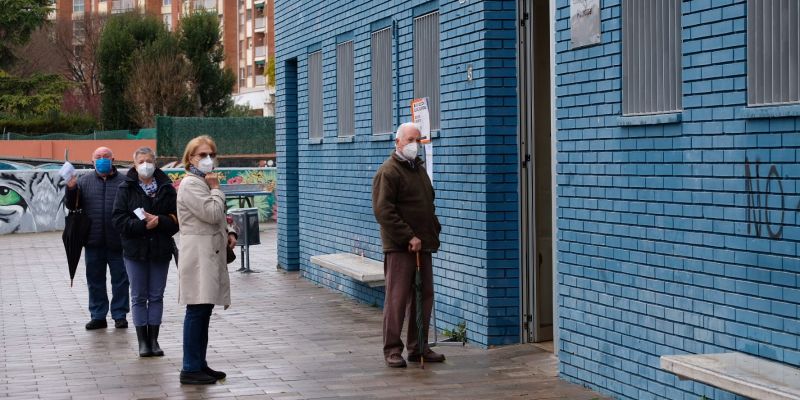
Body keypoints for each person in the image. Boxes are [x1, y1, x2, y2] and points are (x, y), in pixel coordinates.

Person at [371, 122, 445, 368]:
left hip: (423, 243)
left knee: (424, 296)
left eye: (418, 140)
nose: (415, 144)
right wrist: (407, 236)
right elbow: (384, 211)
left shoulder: (418, 169)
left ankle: (419, 346)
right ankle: (392, 349)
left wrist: (432, 228)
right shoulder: (388, 171)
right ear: (398, 142)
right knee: (398, 297)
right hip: (401, 246)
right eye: (410, 140)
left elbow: (427, 202)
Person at [176, 135, 237, 384]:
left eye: (211, 154)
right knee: (197, 310)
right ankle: (190, 367)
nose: (208, 159)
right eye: (202, 155)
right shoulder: (192, 184)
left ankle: (199, 363)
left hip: (209, 253)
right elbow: (212, 212)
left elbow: (217, 215)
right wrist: (216, 189)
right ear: (190, 158)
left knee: (204, 310)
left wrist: (230, 232)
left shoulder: (202, 182)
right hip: (198, 255)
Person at [112, 147, 179, 357]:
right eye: (141, 161)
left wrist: (160, 221)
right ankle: (143, 342)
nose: (145, 165)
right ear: (134, 164)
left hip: (160, 249)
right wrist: (141, 227)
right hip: (135, 250)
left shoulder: (167, 188)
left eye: (149, 160)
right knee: (139, 296)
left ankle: (154, 340)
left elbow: (177, 220)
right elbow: (118, 220)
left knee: (156, 295)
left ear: (155, 162)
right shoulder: (126, 188)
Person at [65, 146, 130, 330]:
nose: (102, 159)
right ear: (92, 161)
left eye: (106, 156)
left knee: (121, 280)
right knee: (95, 280)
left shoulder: (125, 182)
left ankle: (120, 315)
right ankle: (98, 315)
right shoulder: (84, 182)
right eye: (98, 157)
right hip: (93, 241)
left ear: (113, 158)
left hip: (118, 241)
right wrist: (70, 189)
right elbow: (72, 206)